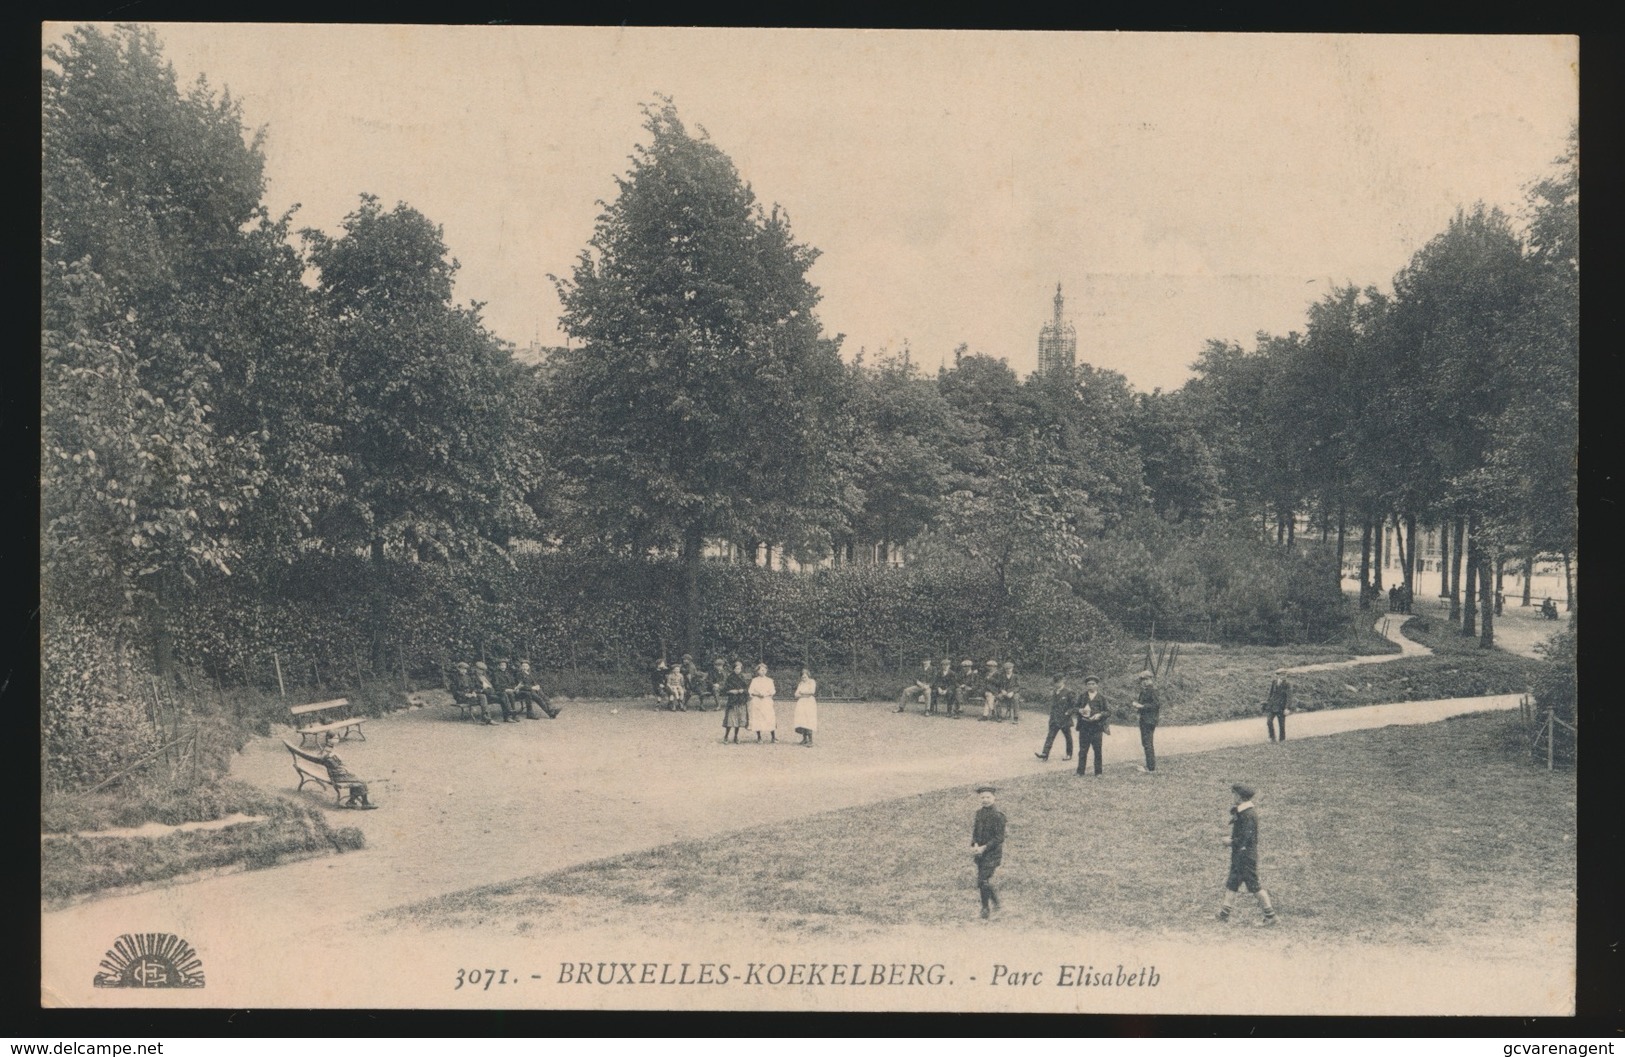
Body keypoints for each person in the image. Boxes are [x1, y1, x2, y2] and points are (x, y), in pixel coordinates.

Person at [1217, 783, 1277, 926]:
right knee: (1233, 882)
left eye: (1234, 794)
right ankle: (1223, 914)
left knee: (1254, 886)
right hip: (1240, 855)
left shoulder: (1248, 815)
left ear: (1239, 796)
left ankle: (1271, 916)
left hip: (1245, 856)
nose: (1233, 797)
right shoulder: (1244, 812)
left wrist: (1230, 842)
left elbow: (1246, 839)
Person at [970, 784, 1006, 920]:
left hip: (992, 854)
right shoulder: (979, 814)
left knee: (983, 880)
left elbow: (999, 838)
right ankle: (993, 903)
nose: (985, 800)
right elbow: (975, 832)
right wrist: (974, 845)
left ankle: (986, 908)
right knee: (981, 881)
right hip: (980, 853)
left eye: (988, 797)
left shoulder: (998, 816)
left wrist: (984, 847)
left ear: (994, 798)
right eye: (983, 797)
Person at [319, 732, 375, 808]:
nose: (337, 740)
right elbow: (334, 764)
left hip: (336, 774)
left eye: (338, 738)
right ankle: (365, 803)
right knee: (361, 780)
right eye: (335, 738)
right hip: (337, 776)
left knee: (355, 777)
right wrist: (335, 758)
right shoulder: (327, 752)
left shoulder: (328, 749)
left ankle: (352, 801)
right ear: (328, 739)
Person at [1074, 675, 1110, 777]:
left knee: (1097, 750)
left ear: (1097, 685)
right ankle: (1080, 771)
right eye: (1088, 684)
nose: (1091, 686)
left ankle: (1098, 772)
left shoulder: (1101, 698)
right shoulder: (1082, 696)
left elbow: (1108, 712)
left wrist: (1100, 715)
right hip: (1084, 727)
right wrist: (1079, 710)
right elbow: (1075, 708)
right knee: (1082, 750)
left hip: (1096, 728)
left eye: (1093, 684)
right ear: (1086, 685)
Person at [1034, 673, 1075, 762]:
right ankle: (1045, 754)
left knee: (1068, 737)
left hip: (1064, 719)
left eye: (1058, 682)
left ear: (1063, 681)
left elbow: (1073, 706)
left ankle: (1069, 754)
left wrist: (1068, 713)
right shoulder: (1054, 692)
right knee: (1050, 736)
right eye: (1055, 682)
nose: (1056, 684)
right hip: (1054, 719)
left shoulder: (1069, 692)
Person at [1130, 669, 1160, 772]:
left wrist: (1142, 706)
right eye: (1142, 680)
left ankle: (1151, 767)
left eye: (1146, 679)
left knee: (1147, 743)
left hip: (1150, 720)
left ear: (1151, 679)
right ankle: (1149, 765)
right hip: (1144, 719)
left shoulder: (1152, 690)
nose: (1144, 682)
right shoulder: (1144, 691)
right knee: (1145, 742)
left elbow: (1156, 705)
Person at [449, 660, 494, 725]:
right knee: (482, 699)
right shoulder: (454, 678)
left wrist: (473, 692)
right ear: (458, 669)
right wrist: (466, 694)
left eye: (465, 669)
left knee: (482, 696)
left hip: (470, 696)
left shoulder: (467, 677)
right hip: (461, 698)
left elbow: (472, 687)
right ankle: (486, 718)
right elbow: (455, 691)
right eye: (462, 669)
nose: (464, 671)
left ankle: (486, 717)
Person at [748, 663, 778, 743]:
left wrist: (766, 694)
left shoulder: (769, 680)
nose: (763, 671)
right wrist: (758, 694)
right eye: (761, 670)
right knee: (758, 718)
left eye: (765, 670)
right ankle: (759, 737)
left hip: (767, 701)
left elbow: (773, 691)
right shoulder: (754, 680)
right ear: (758, 671)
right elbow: (750, 691)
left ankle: (773, 737)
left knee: (770, 717)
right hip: (757, 701)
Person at [722, 660, 749, 744]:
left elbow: (747, 689)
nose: (738, 670)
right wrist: (731, 691)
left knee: (738, 720)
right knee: (730, 720)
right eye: (736, 668)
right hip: (733, 701)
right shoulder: (730, 678)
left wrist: (743, 690)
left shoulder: (742, 677)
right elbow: (724, 690)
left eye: (739, 668)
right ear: (733, 669)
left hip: (741, 701)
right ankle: (726, 736)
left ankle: (736, 736)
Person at [1263, 669, 1291, 742]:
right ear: (1278, 675)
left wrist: (1287, 708)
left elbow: (1289, 697)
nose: (1283, 676)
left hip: (1281, 707)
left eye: (1284, 675)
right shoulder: (1274, 682)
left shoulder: (1287, 684)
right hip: (1272, 706)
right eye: (1281, 675)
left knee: (1281, 724)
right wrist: (1267, 703)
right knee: (1269, 721)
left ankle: (1282, 739)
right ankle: (1272, 737)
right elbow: (1271, 694)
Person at [792, 667, 818, 747]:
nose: (804, 678)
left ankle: (810, 740)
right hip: (801, 703)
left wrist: (802, 693)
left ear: (808, 675)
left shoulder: (812, 682)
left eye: (805, 676)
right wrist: (803, 694)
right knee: (801, 719)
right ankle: (804, 738)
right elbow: (796, 694)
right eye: (802, 677)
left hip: (809, 703)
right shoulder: (800, 684)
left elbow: (812, 692)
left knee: (809, 720)